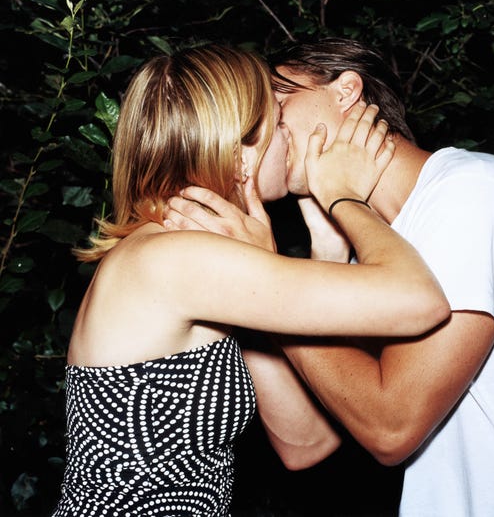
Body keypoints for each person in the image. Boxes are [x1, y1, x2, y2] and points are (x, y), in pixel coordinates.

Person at [165, 38, 494, 516]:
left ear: (345, 92)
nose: (265, 127)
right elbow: (303, 444)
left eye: (277, 102)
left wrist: (264, 280)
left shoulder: (473, 194)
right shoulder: (377, 258)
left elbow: (391, 426)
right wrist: (313, 268)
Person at [52, 44, 451, 517]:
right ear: (240, 153)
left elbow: (306, 442)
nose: (289, 137)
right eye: (278, 122)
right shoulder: (176, 258)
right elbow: (419, 299)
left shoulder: (198, 258)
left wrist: (326, 250)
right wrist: (348, 199)